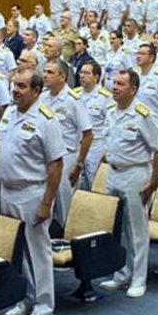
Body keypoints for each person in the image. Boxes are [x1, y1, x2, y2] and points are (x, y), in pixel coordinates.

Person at [0, 67, 65, 315]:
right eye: (14, 85)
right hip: (8, 190)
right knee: (18, 251)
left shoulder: (46, 119)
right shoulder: (10, 113)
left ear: (37, 90)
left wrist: (47, 203)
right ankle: (27, 298)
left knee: (38, 251)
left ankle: (45, 306)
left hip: (32, 192)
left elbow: (56, 165)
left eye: (22, 86)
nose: (15, 90)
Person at [98, 69, 158, 299]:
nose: (115, 87)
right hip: (113, 173)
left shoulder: (143, 114)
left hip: (135, 174)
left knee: (137, 230)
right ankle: (122, 273)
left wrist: (153, 183)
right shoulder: (111, 111)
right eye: (114, 82)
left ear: (133, 89)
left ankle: (139, 279)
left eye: (121, 84)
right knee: (119, 228)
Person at [39, 58, 92, 228]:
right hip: (44, 157)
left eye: (50, 72)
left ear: (62, 77)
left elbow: (88, 134)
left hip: (66, 157)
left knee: (64, 206)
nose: (45, 75)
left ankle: (67, 237)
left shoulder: (73, 100)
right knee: (43, 202)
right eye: (44, 71)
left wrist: (79, 164)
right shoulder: (42, 97)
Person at [76, 61, 112, 189]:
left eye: (86, 73)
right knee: (75, 184)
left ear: (96, 77)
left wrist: (107, 151)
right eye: (81, 72)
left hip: (96, 146)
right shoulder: (74, 94)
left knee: (94, 183)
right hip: (77, 145)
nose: (82, 76)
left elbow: (111, 126)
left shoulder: (105, 97)